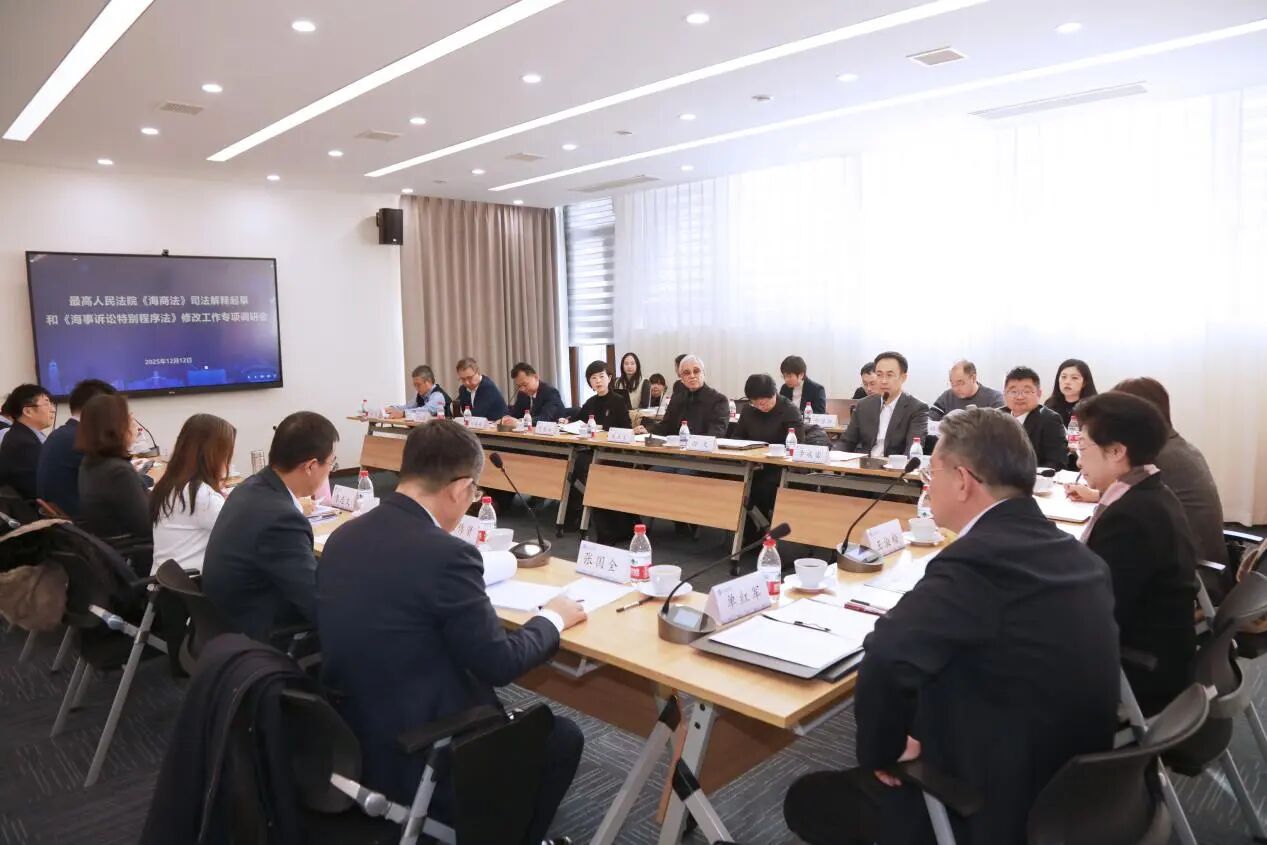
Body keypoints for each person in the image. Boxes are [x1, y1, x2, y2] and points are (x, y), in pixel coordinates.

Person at [784, 407, 1119, 844]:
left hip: (994, 806)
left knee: (807, 800)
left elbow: (887, 655)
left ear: (962, 481)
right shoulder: (1079, 555)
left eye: (932, 472)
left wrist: (883, 753)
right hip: (1085, 791)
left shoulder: (980, 560)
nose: (928, 484)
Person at [318, 420, 585, 844]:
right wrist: (553, 618)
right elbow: (499, 663)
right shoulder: (448, 554)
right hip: (417, 745)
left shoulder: (344, 535)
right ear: (461, 489)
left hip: (347, 729)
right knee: (561, 738)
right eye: (475, 493)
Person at [1075, 392, 1197, 715]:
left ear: (1116, 451)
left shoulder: (1130, 518)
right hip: (1162, 654)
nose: (1078, 461)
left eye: (1082, 447)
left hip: (1142, 674)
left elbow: (1099, 613)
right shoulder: (1152, 492)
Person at [202, 411, 338, 641]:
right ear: (311, 466)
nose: (330, 471)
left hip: (223, 622)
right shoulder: (281, 520)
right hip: (258, 635)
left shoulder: (249, 487)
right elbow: (317, 605)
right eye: (332, 464)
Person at [1100, 377, 1226, 565]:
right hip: (1202, 561)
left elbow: (1120, 510)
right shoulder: (1176, 446)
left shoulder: (1155, 457)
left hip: (1193, 571)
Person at [151, 414, 236, 573]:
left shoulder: (171, 484)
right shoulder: (201, 496)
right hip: (191, 583)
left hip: (168, 581)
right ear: (213, 455)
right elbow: (243, 533)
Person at [77, 394, 152, 568]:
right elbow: (146, 527)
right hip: (139, 555)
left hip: (114, 551)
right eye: (130, 419)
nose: (135, 426)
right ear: (116, 426)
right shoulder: (119, 472)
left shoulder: (90, 462)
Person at [735, 374, 805, 539]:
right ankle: (745, 533)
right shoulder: (749, 410)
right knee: (733, 483)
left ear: (775, 394)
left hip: (778, 467)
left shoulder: (789, 410)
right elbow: (737, 437)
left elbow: (797, 446)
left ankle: (757, 535)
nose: (761, 406)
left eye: (765, 402)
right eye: (756, 403)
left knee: (759, 488)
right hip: (751, 464)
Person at [35, 379, 116, 516]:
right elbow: (118, 482)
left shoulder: (63, 433)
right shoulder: (82, 439)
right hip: (83, 520)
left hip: (66, 516)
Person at [838, 352, 928, 457]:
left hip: (894, 465)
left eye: (889, 375)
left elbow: (912, 451)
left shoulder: (917, 408)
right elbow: (846, 442)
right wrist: (833, 455)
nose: (883, 381)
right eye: (879, 375)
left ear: (903, 378)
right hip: (864, 464)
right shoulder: (864, 405)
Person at [634, 355, 728, 437]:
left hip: (702, 450)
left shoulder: (719, 400)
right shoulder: (677, 398)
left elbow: (716, 433)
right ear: (681, 379)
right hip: (675, 449)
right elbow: (666, 426)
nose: (692, 376)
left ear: (703, 374)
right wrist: (648, 430)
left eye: (696, 371)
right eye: (687, 373)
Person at [1003, 366, 1068, 470]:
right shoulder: (995, 417)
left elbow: (1057, 462)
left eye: (1027, 391)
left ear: (1039, 394)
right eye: (1013, 391)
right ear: (1004, 394)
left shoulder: (1049, 420)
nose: (1019, 397)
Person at [0, 384, 56, 500]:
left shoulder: (23, 435)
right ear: (28, 411)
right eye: (46, 404)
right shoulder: (23, 443)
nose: (53, 409)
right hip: (33, 507)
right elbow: (38, 488)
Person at [928, 360, 1004, 420]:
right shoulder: (947, 397)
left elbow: (1001, 428)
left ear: (973, 378)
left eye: (960, 383)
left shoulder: (994, 398)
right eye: (952, 384)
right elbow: (929, 420)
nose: (956, 389)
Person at [579, 361, 631, 430]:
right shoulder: (590, 402)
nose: (598, 381)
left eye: (601, 376)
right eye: (594, 378)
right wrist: (567, 421)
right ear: (589, 382)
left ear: (609, 378)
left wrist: (602, 427)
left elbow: (627, 427)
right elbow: (578, 421)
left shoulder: (618, 400)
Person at [1045, 358, 1098, 426]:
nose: (1067, 382)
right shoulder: (1050, 405)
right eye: (1064, 377)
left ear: (1084, 382)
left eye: (1074, 378)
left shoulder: (1094, 408)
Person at [386, 365, 451, 419]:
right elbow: (408, 406)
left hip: (444, 429)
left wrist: (403, 413)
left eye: (418, 384)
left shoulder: (438, 395)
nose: (416, 388)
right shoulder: (421, 395)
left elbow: (427, 410)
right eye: (414, 385)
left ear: (428, 382)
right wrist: (392, 408)